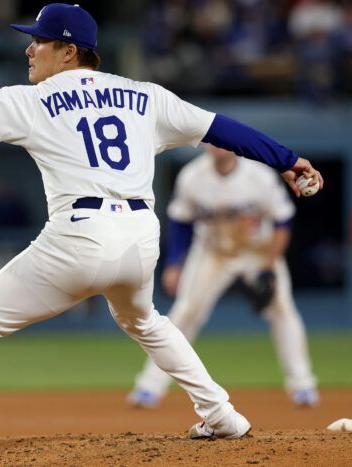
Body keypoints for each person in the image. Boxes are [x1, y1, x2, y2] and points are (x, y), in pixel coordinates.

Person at [0, 3, 323, 442]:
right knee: (146, 321)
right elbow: (223, 129)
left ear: (69, 51)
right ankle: (223, 416)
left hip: (78, 235)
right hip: (140, 239)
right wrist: (286, 159)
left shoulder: (32, 100)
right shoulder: (146, 96)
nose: (29, 48)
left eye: (40, 40)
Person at [127, 144, 320, 410]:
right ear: (205, 145)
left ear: (233, 146)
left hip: (257, 250)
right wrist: (174, 264)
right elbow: (181, 223)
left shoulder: (258, 175)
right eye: (212, 141)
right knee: (186, 311)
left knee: (282, 310)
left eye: (222, 141)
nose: (217, 146)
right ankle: (149, 387)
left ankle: (303, 385)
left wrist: (268, 267)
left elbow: (282, 221)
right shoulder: (193, 176)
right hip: (212, 252)